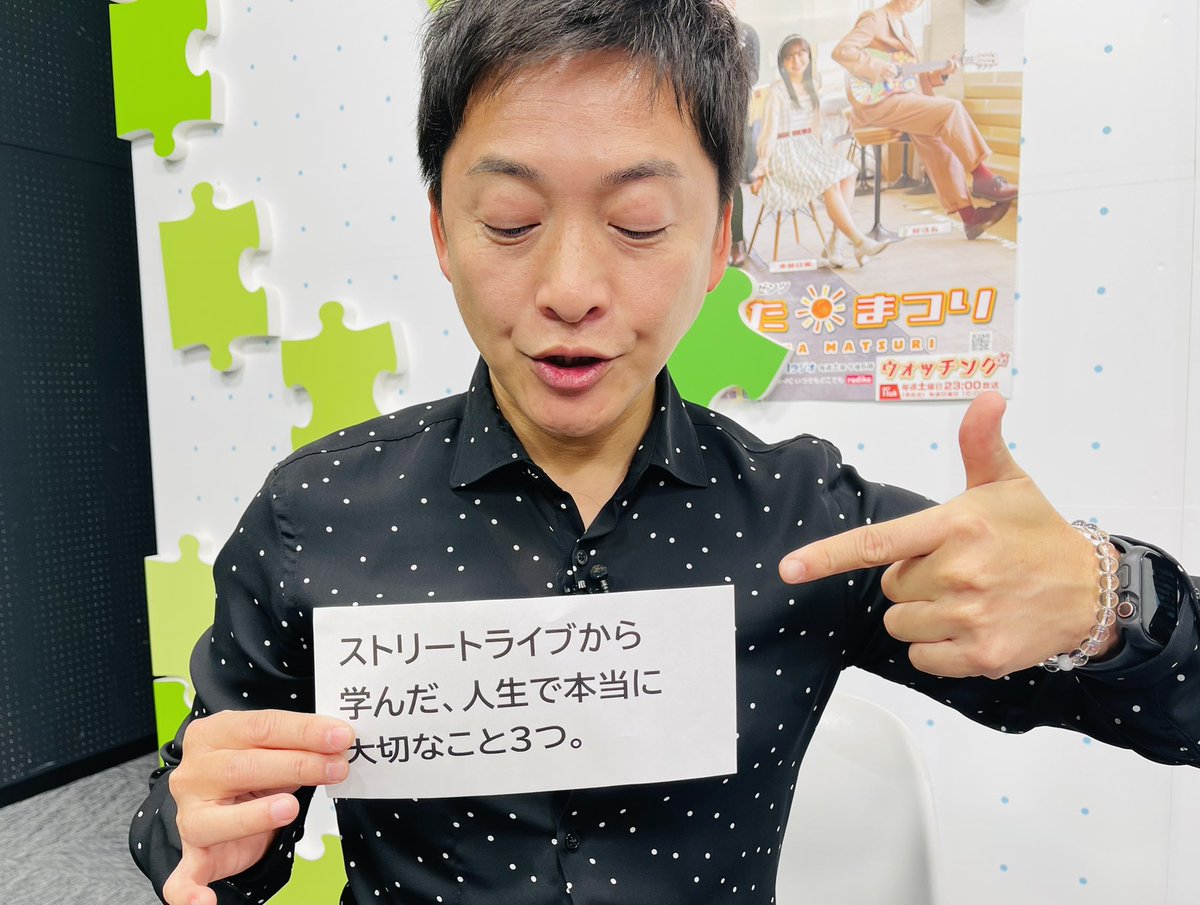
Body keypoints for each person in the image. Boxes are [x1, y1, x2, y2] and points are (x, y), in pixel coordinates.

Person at [130, 1, 1200, 903]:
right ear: (442, 230)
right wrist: (199, 829)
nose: (571, 289)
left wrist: (1105, 599)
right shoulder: (315, 508)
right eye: (509, 220)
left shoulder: (809, 519)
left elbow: (1181, 710)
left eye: (639, 223)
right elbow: (195, 824)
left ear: (723, 237)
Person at [833, 0, 1017, 240]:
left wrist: (941, 73)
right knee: (951, 109)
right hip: (876, 104)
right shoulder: (875, 18)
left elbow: (910, 78)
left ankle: (969, 217)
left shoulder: (901, 25)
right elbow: (842, 51)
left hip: (900, 98)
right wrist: (878, 67)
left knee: (935, 138)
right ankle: (982, 176)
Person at [750, 35, 885, 268]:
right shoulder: (777, 91)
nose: (796, 60)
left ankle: (836, 243)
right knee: (830, 182)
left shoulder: (812, 86)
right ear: (782, 63)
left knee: (849, 172)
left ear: (809, 56)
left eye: (801, 53)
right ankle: (858, 240)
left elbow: (815, 128)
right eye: (790, 56)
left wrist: (824, 153)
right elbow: (769, 131)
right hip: (785, 154)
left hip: (809, 148)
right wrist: (762, 165)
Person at [717, 0, 759, 268]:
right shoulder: (693, 30)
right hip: (699, 116)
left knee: (732, 183)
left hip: (734, 118)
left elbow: (751, 77)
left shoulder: (747, 33)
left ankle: (736, 241)